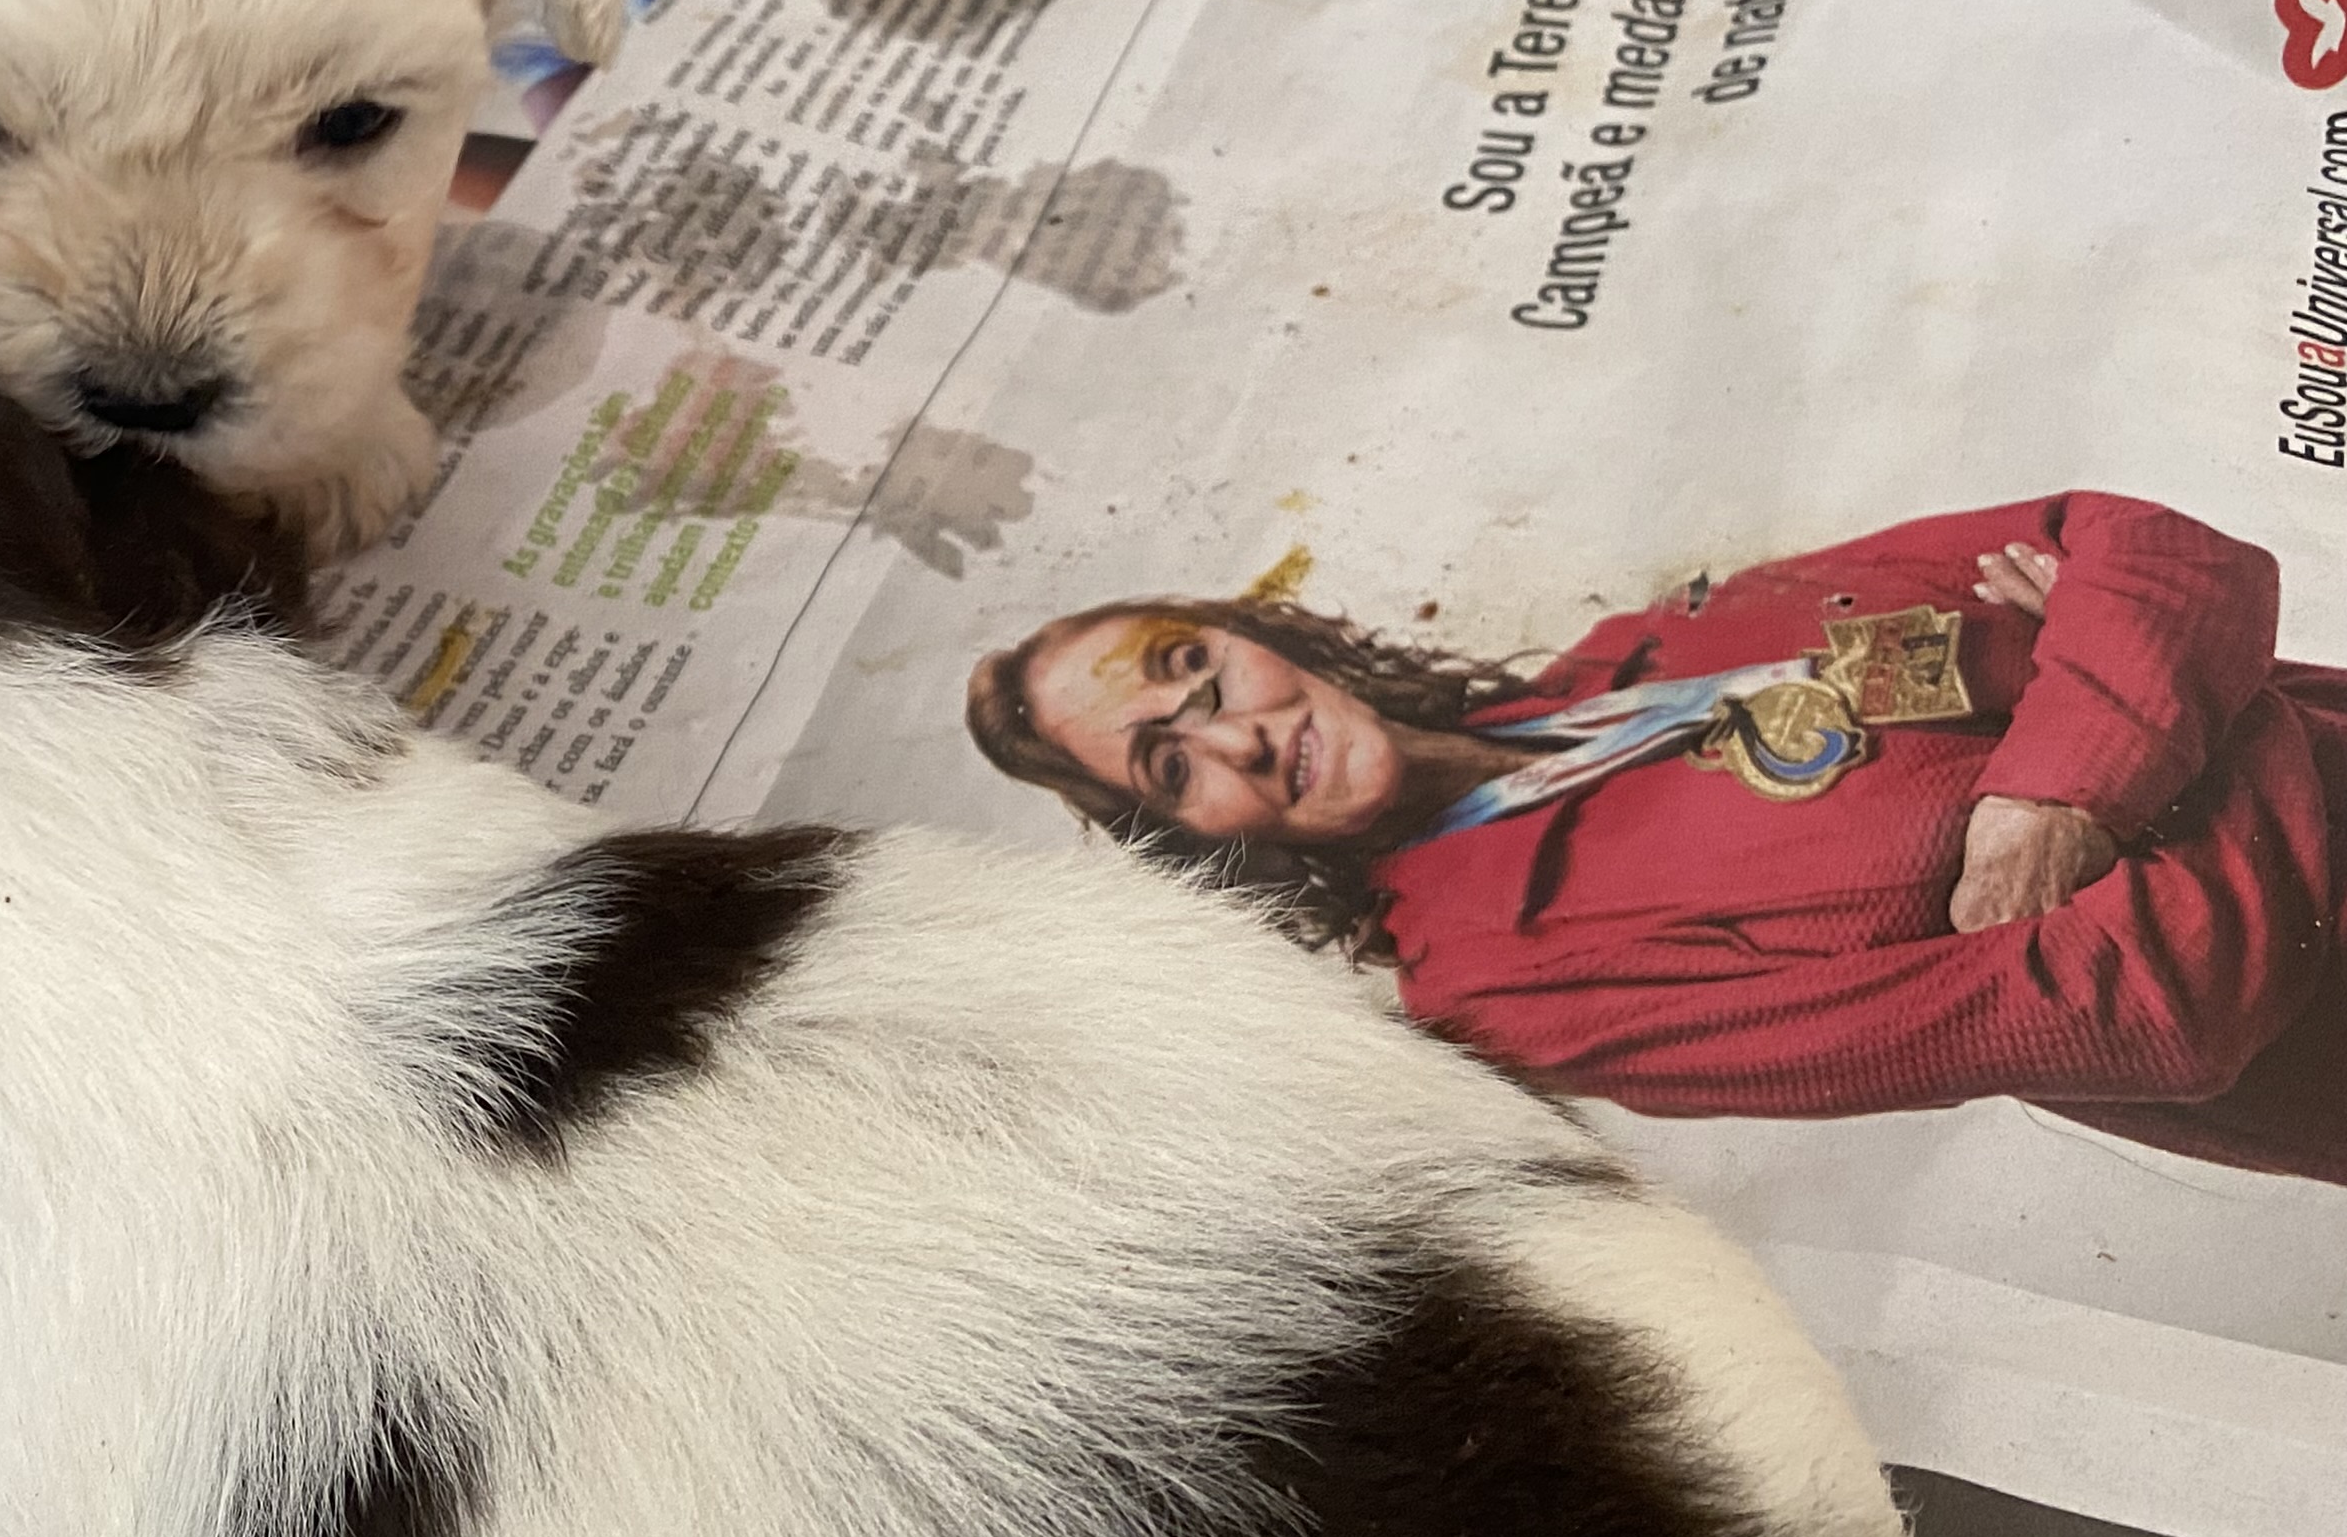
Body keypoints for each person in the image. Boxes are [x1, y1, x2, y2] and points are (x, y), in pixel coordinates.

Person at [965, 491, 2347, 1184]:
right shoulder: (1510, 988)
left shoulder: (1671, 639)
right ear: (1189, 843)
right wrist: (2189, 703)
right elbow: (2156, 1012)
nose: (1235, 732)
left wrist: (2069, 796)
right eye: (1172, 765)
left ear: (1256, 632)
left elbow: (2163, 550)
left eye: (1198, 674)